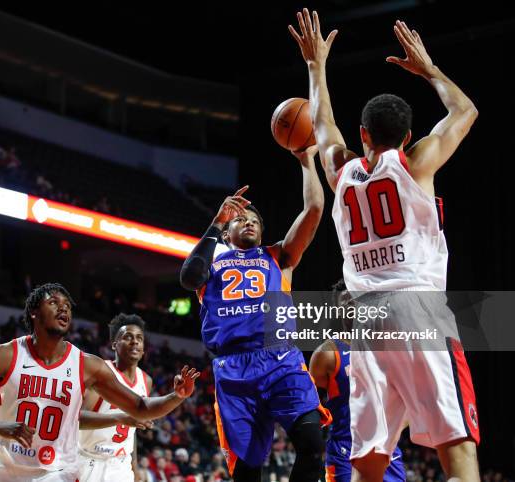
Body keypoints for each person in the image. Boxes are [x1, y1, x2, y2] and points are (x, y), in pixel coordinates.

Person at [289, 9, 480, 481]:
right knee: (459, 452)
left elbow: (321, 121)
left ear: (363, 136)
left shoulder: (342, 171)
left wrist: (316, 66)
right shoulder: (416, 164)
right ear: (409, 136)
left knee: (369, 463)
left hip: (365, 320)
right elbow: (465, 111)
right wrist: (430, 70)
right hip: (417, 308)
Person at [0, 283, 199, 481]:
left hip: (56, 473)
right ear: (34, 312)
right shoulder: (5, 355)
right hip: (3, 470)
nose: (63, 308)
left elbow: (140, 408)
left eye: (67, 305)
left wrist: (176, 396)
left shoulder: (87, 365)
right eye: (53, 302)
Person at [180, 147, 330, 482]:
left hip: (280, 359)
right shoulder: (213, 259)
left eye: (254, 221)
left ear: (261, 232)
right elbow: (188, 277)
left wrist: (307, 161)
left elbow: (315, 208)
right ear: (228, 232)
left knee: (312, 443)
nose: (248, 222)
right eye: (240, 220)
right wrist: (216, 222)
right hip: (233, 370)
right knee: (247, 473)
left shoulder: (278, 256)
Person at [309, 280, 405, 482]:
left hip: (387, 448)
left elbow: (409, 403)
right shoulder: (327, 354)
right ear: (337, 308)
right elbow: (308, 404)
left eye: (354, 300)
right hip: (345, 448)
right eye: (344, 302)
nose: (350, 306)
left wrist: (392, 430)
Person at [78, 313, 154, 482]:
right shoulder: (100, 372)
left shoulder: (146, 381)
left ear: (143, 349)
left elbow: (131, 428)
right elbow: (78, 420)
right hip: (89, 461)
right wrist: (119, 418)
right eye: (127, 337)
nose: (134, 341)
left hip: (121, 465)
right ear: (114, 344)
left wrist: (134, 467)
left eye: (139, 338)